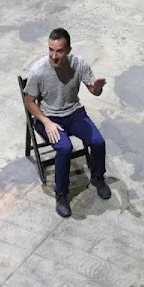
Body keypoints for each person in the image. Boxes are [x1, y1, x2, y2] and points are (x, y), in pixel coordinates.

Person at [24, 28, 111, 218]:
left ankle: (97, 178)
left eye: (59, 51)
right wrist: (46, 121)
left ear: (69, 50)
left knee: (98, 142)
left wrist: (97, 89)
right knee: (65, 148)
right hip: (49, 117)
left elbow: (93, 90)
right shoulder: (38, 70)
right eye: (51, 50)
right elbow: (29, 101)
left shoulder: (78, 63)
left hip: (74, 112)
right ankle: (61, 194)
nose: (54, 56)